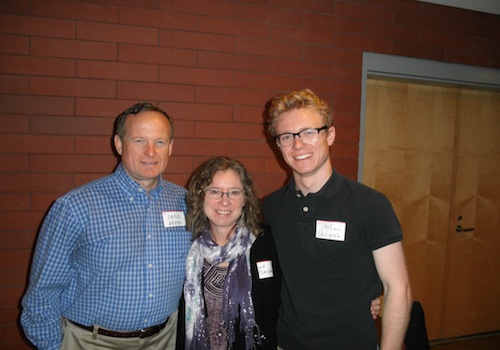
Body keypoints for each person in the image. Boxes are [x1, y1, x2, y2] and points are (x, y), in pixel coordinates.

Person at [21, 102, 192, 350]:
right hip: (93, 342)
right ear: (119, 144)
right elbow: (43, 290)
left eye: (160, 142)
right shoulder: (75, 207)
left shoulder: (186, 202)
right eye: (139, 141)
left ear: (171, 147)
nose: (151, 152)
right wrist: (51, 346)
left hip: (164, 340)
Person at [262, 89, 412, 350]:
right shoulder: (272, 207)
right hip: (287, 344)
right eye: (287, 136)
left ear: (330, 135)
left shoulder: (370, 205)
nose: (298, 145)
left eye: (309, 132)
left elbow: (398, 288)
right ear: (278, 145)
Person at [182, 156, 282, 349]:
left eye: (234, 192)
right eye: (215, 191)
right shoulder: (188, 250)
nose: (224, 201)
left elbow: (272, 314)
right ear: (201, 196)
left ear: (246, 198)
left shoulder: (266, 246)